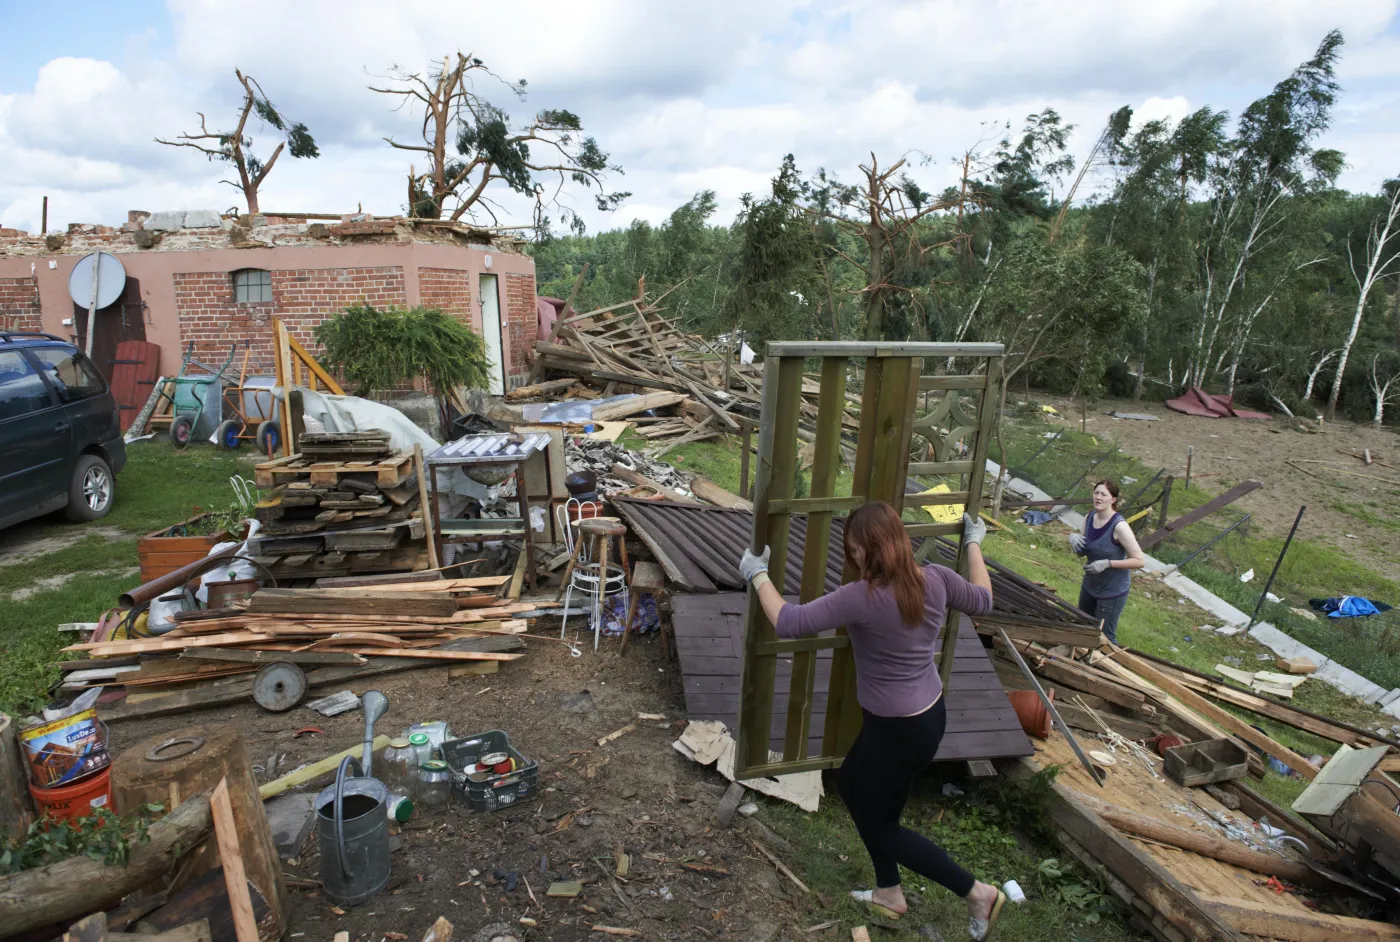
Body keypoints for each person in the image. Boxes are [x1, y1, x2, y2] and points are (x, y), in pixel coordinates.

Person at [738, 503, 1007, 941]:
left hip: (896, 731)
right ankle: (889, 891)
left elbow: (789, 621)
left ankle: (976, 892)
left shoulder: (862, 597)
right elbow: (984, 599)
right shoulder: (935, 579)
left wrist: (757, 574)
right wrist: (973, 541)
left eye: (853, 549)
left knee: (883, 826)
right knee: (852, 784)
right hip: (927, 717)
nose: (853, 557)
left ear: (864, 549)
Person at [1068, 479, 1146, 643]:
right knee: (1083, 627)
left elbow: (1139, 560)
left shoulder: (1119, 526)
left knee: (1104, 638)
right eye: (1096, 493)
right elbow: (1081, 554)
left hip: (1112, 591)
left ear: (1113, 499)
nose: (1098, 497)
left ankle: (1109, 666)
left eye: (1104, 494)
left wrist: (1108, 563)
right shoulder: (1089, 517)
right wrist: (1073, 538)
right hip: (1090, 586)